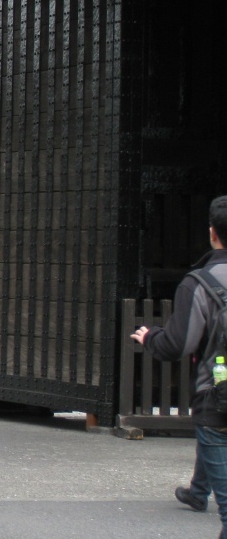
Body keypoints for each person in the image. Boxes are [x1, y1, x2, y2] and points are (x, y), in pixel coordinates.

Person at [131, 195, 227, 537]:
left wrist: (150, 337)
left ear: (212, 234)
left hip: (218, 395)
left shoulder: (200, 284)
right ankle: (199, 490)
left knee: (214, 433)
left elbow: (178, 345)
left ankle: (201, 491)